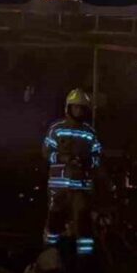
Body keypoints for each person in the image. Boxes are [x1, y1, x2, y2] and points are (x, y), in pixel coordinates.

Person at [42, 88, 102, 255]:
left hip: (81, 189)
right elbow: (47, 153)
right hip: (59, 190)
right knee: (54, 226)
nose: (79, 111)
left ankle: (85, 262)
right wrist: (64, 158)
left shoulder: (90, 133)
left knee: (84, 227)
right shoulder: (56, 129)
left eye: (82, 108)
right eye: (75, 107)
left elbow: (97, 157)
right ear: (68, 108)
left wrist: (87, 161)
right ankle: (49, 256)